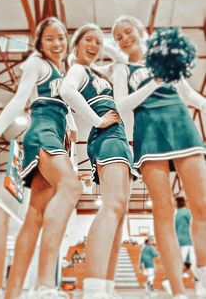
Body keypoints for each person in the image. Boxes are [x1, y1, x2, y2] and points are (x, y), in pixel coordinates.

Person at [0, 17, 83, 299]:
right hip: (41, 130)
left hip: (56, 133)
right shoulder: (37, 64)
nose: (57, 43)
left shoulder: (63, 71)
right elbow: (20, 99)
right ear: (39, 43)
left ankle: (12, 293)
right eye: (49, 39)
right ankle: (45, 284)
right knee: (70, 186)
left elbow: (64, 106)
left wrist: (71, 124)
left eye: (61, 37)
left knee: (34, 215)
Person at [111, 15, 206, 299]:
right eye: (118, 37)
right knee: (163, 210)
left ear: (142, 30)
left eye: (127, 31)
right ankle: (177, 289)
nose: (124, 39)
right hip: (148, 130)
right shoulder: (122, 68)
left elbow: (188, 94)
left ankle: (202, 275)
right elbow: (121, 105)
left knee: (202, 206)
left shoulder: (164, 58)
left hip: (181, 124)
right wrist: (154, 83)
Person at [59, 23, 139, 299]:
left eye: (98, 42)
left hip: (119, 135)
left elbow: (123, 59)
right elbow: (67, 92)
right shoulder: (79, 70)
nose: (94, 46)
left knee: (120, 213)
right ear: (76, 44)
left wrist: (101, 43)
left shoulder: (98, 72)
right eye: (88, 41)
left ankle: (105, 286)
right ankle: (93, 288)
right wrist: (96, 121)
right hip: (106, 135)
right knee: (113, 207)